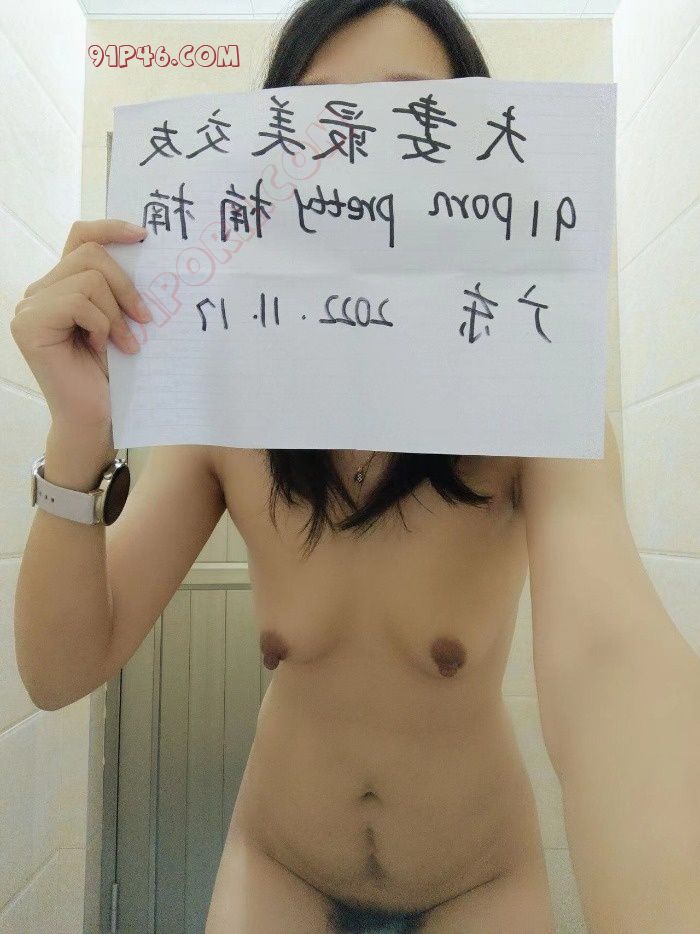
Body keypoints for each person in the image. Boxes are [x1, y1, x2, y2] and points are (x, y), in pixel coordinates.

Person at [11, 1, 700, 932]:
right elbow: (58, 673)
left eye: (409, 117)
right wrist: (78, 432)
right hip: (280, 858)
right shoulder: (225, 416)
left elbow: (610, 658)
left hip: (477, 875)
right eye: (317, 121)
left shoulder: (535, 409)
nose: (354, 154)